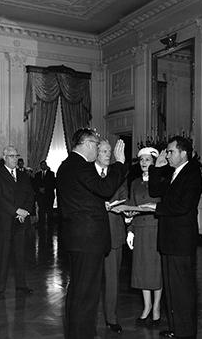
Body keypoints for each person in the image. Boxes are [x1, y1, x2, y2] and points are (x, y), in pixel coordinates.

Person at [56, 129, 127, 339]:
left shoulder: (67, 166)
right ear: (87, 144)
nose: (98, 150)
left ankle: (76, 333)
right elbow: (105, 188)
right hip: (88, 239)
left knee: (79, 291)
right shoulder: (81, 166)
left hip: (78, 238)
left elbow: (86, 196)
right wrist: (120, 164)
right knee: (86, 294)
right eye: (96, 145)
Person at [147, 136, 202, 339]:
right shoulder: (173, 172)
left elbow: (183, 206)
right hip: (170, 239)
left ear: (183, 153)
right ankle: (176, 328)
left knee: (183, 289)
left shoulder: (192, 174)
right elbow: (154, 190)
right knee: (171, 288)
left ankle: (186, 333)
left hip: (181, 241)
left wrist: (156, 208)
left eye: (170, 152)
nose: (167, 155)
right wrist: (157, 167)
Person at [0, 146, 35, 300]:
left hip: (21, 221)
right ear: (5, 157)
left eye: (16, 156)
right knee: (3, 255)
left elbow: (30, 194)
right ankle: (0, 290)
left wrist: (26, 211)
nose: (15, 159)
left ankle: (21, 286)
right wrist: (17, 211)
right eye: (12, 156)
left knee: (21, 255)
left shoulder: (23, 175)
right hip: (5, 221)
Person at [125, 147, 163, 327]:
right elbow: (131, 206)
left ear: (155, 162)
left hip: (156, 229)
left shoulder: (162, 181)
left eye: (147, 160)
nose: (144, 163)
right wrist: (130, 229)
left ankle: (156, 308)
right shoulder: (134, 183)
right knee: (142, 271)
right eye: (141, 160)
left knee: (156, 271)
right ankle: (146, 306)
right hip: (140, 229)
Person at [94, 139, 127, 334]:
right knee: (90, 279)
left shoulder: (118, 173)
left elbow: (124, 195)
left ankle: (111, 318)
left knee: (113, 279)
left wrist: (115, 205)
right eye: (104, 151)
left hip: (114, 232)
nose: (108, 154)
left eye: (110, 151)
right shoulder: (88, 174)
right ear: (96, 153)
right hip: (93, 235)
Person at [33, 160, 56, 226]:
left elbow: (53, 184)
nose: (43, 166)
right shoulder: (37, 174)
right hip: (40, 197)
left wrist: (45, 189)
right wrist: (39, 189)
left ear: (46, 165)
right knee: (41, 212)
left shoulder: (51, 174)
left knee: (49, 212)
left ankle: (50, 225)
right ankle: (41, 225)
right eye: (42, 165)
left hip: (49, 196)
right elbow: (35, 185)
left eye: (44, 164)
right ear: (40, 166)